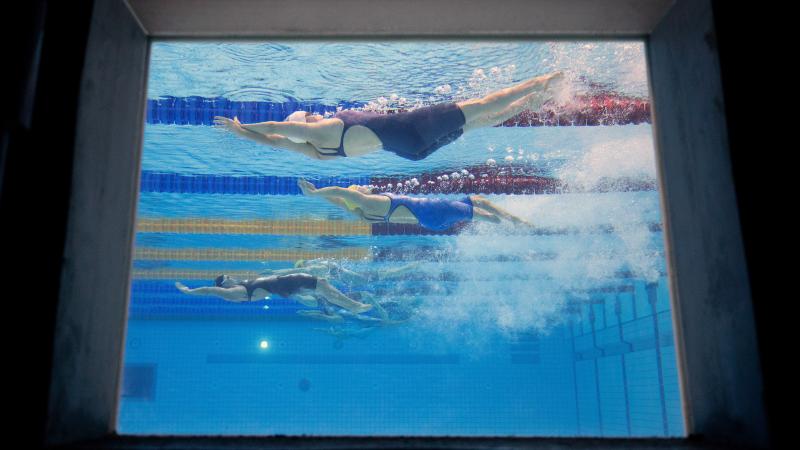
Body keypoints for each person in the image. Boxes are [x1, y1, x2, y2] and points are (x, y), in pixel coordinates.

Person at [213, 71, 564, 161]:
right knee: (485, 103)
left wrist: (245, 135)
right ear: (304, 123)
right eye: (309, 115)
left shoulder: (320, 151)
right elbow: (276, 129)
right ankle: (546, 81)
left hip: (411, 151)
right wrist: (243, 126)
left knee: (475, 122)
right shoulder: (319, 133)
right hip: (411, 128)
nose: (316, 113)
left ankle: (530, 103)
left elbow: (276, 142)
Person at [297, 179, 533, 232]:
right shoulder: (368, 201)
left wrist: (317, 194)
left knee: (479, 205)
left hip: (431, 220)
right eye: (356, 189)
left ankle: (511, 224)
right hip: (434, 210)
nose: (359, 186)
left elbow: (339, 200)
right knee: (481, 208)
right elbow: (339, 192)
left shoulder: (362, 212)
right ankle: (517, 223)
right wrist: (315, 192)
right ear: (358, 195)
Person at [174, 273, 372, 314]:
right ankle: (354, 307)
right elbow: (209, 290)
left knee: (323, 285)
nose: (231, 276)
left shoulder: (241, 287)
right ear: (224, 284)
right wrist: (189, 291)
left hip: (281, 286)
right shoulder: (233, 293)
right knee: (321, 284)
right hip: (280, 285)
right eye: (226, 277)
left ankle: (352, 306)